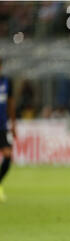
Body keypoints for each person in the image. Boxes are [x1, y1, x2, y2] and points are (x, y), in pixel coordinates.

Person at [0, 57, 16, 202]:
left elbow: (10, 105)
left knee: (8, 156)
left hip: (2, 127)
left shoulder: (6, 82)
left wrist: (14, 125)